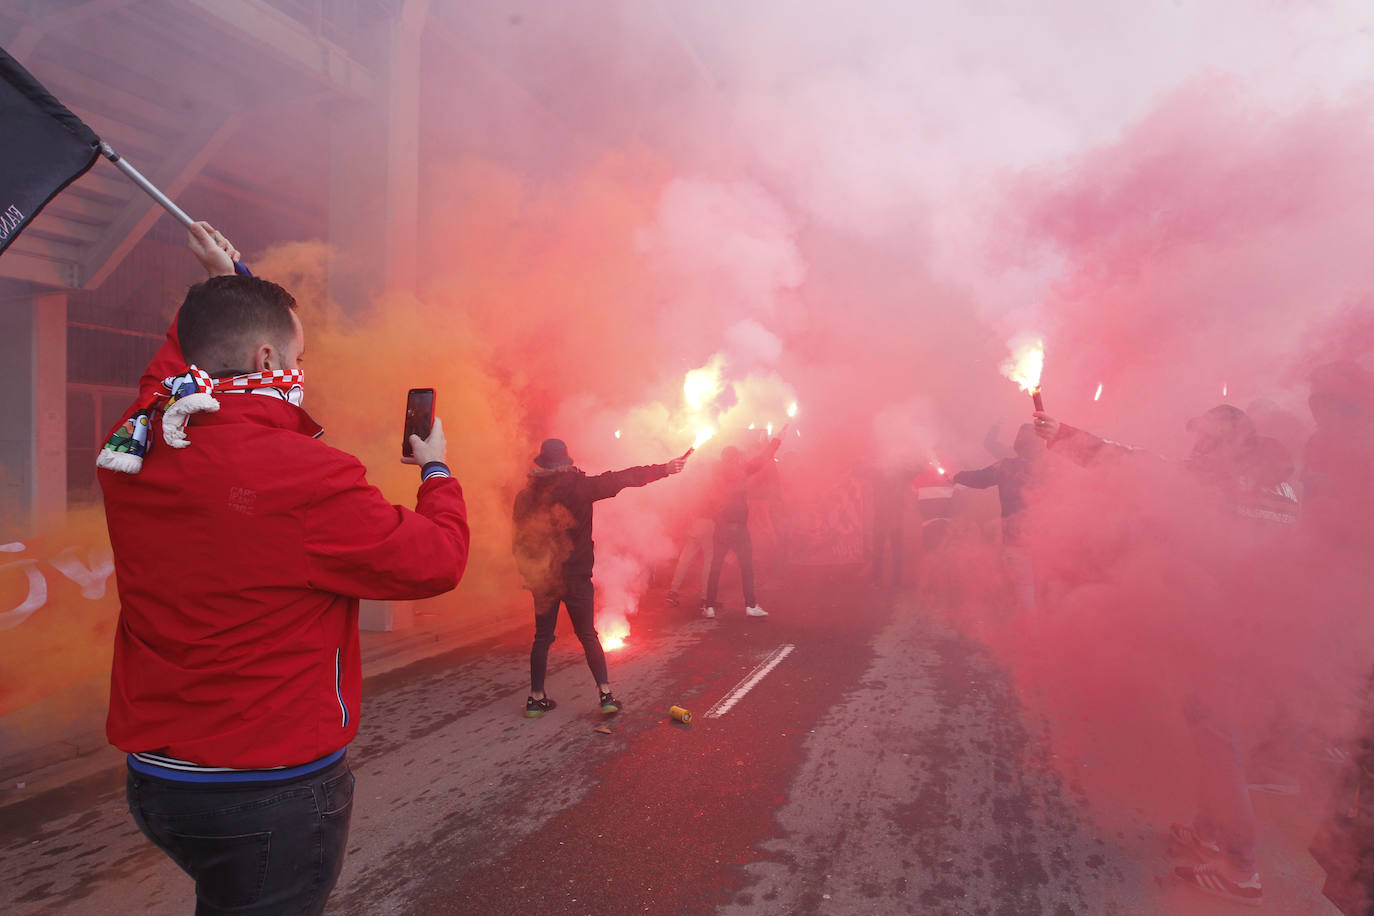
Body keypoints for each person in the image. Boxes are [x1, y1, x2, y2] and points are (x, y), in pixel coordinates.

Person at [98, 222, 470, 914]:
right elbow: (438, 559)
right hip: (267, 793)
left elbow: (180, 360)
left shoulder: (139, 434)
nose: (303, 372)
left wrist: (224, 285)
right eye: (298, 356)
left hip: (156, 784)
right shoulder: (308, 478)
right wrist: (437, 469)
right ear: (268, 355)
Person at [1034, 404, 1297, 908]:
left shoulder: (1217, 478)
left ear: (1224, 441)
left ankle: (1241, 867)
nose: (1195, 446)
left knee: (1217, 738)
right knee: (1218, 729)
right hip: (1264, 630)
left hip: (1219, 626)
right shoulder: (1283, 488)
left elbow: (1132, 463)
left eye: (1202, 438)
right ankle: (1212, 833)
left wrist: (1063, 435)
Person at [512, 438, 685, 718]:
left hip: (543, 578)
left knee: (542, 638)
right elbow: (623, 478)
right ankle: (605, 696)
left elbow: (519, 542)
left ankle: (535, 699)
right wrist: (664, 468)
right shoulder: (581, 487)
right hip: (576, 577)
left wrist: (528, 573)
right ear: (566, 463)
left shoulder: (526, 497)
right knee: (588, 636)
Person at [951, 423, 1044, 608]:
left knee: (1023, 585)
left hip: (1015, 537)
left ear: (1018, 444)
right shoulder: (1050, 467)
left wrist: (956, 476)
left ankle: (1030, 628)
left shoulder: (1007, 466)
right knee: (1044, 584)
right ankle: (1050, 625)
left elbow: (980, 478)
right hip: (1046, 536)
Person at [702, 432, 784, 619]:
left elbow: (709, 501)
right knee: (746, 567)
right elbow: (763, 459)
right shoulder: (741, 471)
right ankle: (750, 605)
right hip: (738, 527)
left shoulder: (715, 476)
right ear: (735, 458)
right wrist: (776, 441)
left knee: (716, 567)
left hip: (722, 528)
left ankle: (708, 606)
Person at [666, 509, 713, 609]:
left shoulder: (698, 493)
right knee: (709, 561)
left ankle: (673, 591)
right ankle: (705, 598)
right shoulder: (714, 494)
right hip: (709, 523)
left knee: (684, 560)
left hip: (695, 523)